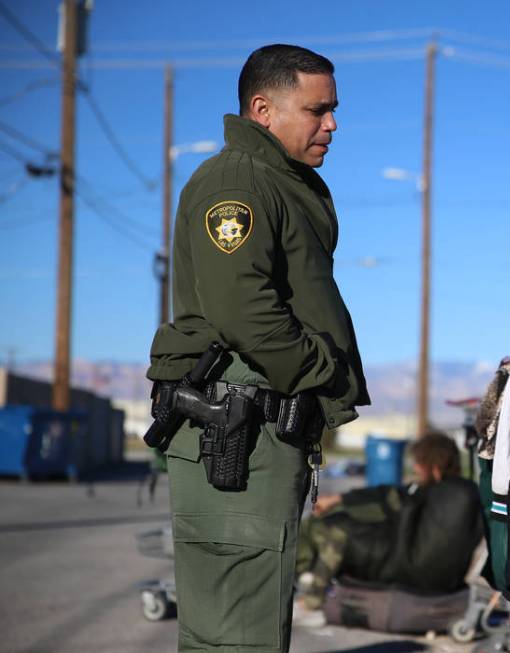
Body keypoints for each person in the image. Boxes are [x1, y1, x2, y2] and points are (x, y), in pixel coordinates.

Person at [146, 44, 369, 652]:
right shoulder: (237, 181)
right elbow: (242, 308)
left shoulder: (275, 181)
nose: (331, 124)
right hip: (239, 435)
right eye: (317, 110)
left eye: (333, 109)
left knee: (244, 625)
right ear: (262, 109)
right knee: (238, 633)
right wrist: (320, 370)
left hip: (258, 433)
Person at [294, 431, 483, 615]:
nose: (415, 468)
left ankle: (312, 595)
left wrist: (337, 500)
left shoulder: (428, 491)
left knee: (337, 527)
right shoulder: (469, 492)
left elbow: (387, 497)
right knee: (346, 524)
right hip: (447, 581)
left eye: (419, 463)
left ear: (433, 464)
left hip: (404, 570)